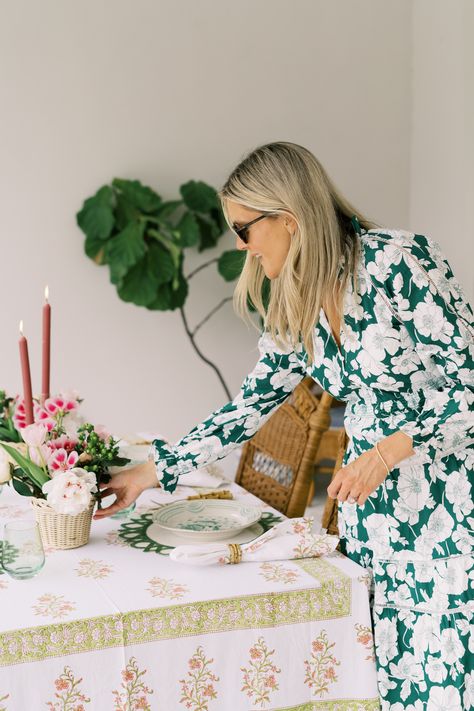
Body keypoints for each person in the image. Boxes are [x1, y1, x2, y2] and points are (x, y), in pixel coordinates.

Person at [94, 142, 473, 709]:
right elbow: (247, 406)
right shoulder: (300, 297)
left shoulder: (401, 262)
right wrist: (150, 472)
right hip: (375, 530)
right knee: (388, 695)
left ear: (289, 220)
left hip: (450, 522)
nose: (241, 248)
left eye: (244, 230)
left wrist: (386, 451)